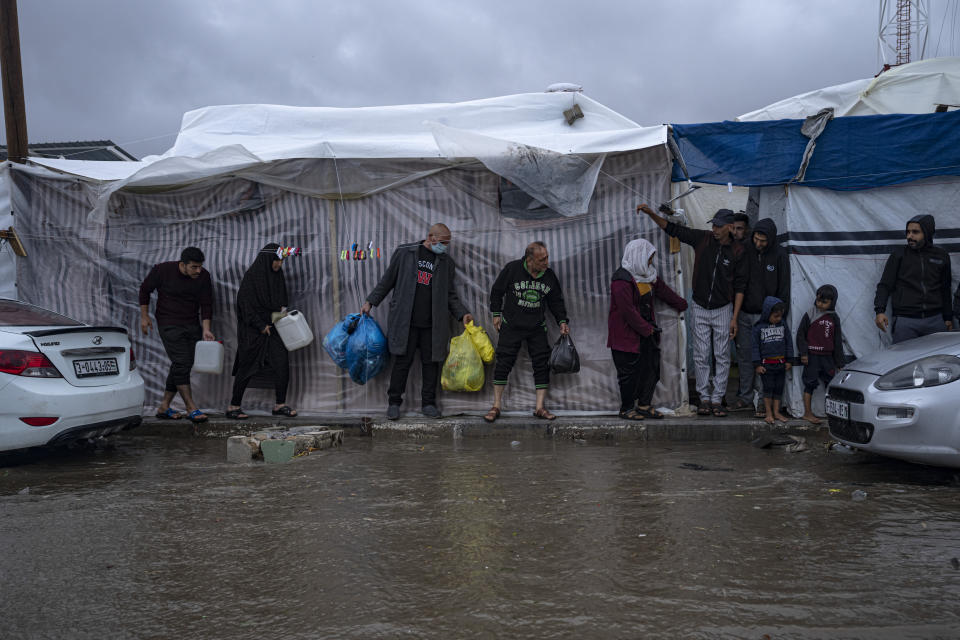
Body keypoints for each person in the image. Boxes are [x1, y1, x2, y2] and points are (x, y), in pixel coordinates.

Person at [638, 204, 747, 417]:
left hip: (724, 308)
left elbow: (741, 287)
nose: (714, 229)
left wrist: (734, 318)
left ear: (730, 227)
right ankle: (704, 397)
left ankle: (718, 399)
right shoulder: (703, 239)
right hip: (699, 305)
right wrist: (651, 213)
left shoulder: (738, 251)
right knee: (700, 353)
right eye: (713, 225)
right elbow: (672, 229)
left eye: (718, 226)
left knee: (722, 355)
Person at [362, 223, 472, 420]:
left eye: (447, 243)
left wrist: (461, 314)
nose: (445, 246)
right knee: (402, 362)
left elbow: (449, 295)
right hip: (406, 322)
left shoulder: (446, 262)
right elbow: (387, 280)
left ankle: (428, 404)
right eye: (443, 242)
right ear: (430, 237)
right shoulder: (406, 253)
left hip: (432, 324)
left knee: (431, 364)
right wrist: (371, 302)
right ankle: (394, 403)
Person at [485, 241, 569, 422]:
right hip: (511, 325)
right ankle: (496, 405)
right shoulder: (513, 269)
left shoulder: (549, 276)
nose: (546, 262)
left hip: (537, 327)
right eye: (542, 259)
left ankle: (539, 407)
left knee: (541, 364)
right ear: (529, 260)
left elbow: (556, 301)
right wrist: (496, 313)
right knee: (503, 362)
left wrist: (562, 321)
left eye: (547, 257)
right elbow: (497, 291)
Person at [607, 238, 687, 420]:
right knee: (628, 374)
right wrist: (646, 329)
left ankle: (644, 404)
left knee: (651, 368)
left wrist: (682, 304)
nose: (651, 261)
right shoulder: (621, 280)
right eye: (649, 257)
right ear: (638, 256)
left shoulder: (648, 275)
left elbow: (663, 292)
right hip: (626, 336)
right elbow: (627, 311)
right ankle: (626, 409)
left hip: (646, 333)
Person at [139, 246, 215, 423]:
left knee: (182, 364)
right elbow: (145, 290)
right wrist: (144, 317)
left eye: (200, 266)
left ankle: (164, 406)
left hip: (191, 324)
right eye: (194, 267)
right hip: (168, 323)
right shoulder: (163, 270)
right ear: (183, 264)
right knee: (182, 362)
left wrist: (206, 328)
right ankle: (191, 407)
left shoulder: (203, 276)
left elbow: (206, 303)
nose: (198, 270)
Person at [227, 243, 298, 420]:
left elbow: (282, 300)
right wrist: (260, 325)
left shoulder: (277, 276)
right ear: (268, 260)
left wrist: (280, 315)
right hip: (253, 330)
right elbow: (245, 305)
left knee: (281, 364)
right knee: (247, 365)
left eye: (281, 261)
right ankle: (233, 406)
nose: (279, 265)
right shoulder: (252, 277)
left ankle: (279, 404)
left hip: (274, 327)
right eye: (277, 261)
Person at [732, 218, 790, 416]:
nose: (758, 244)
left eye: (763, 241)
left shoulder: (780, 254)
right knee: (745, 356)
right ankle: (746, 397)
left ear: (771, 239)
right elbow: (739, 281)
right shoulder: (745, 248)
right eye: (756, 239)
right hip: (745, 314)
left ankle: (761, 401)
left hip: (767, 319)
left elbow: (784, 288)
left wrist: (779, 317)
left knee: (765, 361)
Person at [874, 215, 952, 343]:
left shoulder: (942, 256)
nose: (909, 236)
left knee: (936, 362)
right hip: (905, 322)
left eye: (915, 232)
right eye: (908, 232)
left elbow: (946, 288)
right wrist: (879, 311)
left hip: (935, 320)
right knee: (903, 360)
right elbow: (885, 285)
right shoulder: (898, 255)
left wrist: (948, 317)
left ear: (927, 233)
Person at [796, 284, 845, 425]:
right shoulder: (810, 313)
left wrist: (840, 363)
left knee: (830, 385)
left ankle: (832, 413)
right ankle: (807, 413)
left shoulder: (834, 318)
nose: (820, 304)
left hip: (828, 357)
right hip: (812, 356)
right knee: (809, 384)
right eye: (818, 301)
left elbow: (837, 341)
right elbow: (800, 335)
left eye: (824, 302)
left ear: (832, 302)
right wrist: (803, 353)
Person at [751, 296, 793, 425]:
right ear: (767, 313)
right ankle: (768, 413)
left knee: (778, 388)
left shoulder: (783, 324)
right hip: (766, 365)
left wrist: (789, 360)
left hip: (780, 364)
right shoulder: (758, 328)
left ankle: (776, 412)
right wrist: (757, 364)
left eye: (780, 316)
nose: (778, 319)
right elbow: (754, 347)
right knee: (768, 389)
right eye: (775, 316)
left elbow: (788, 342)